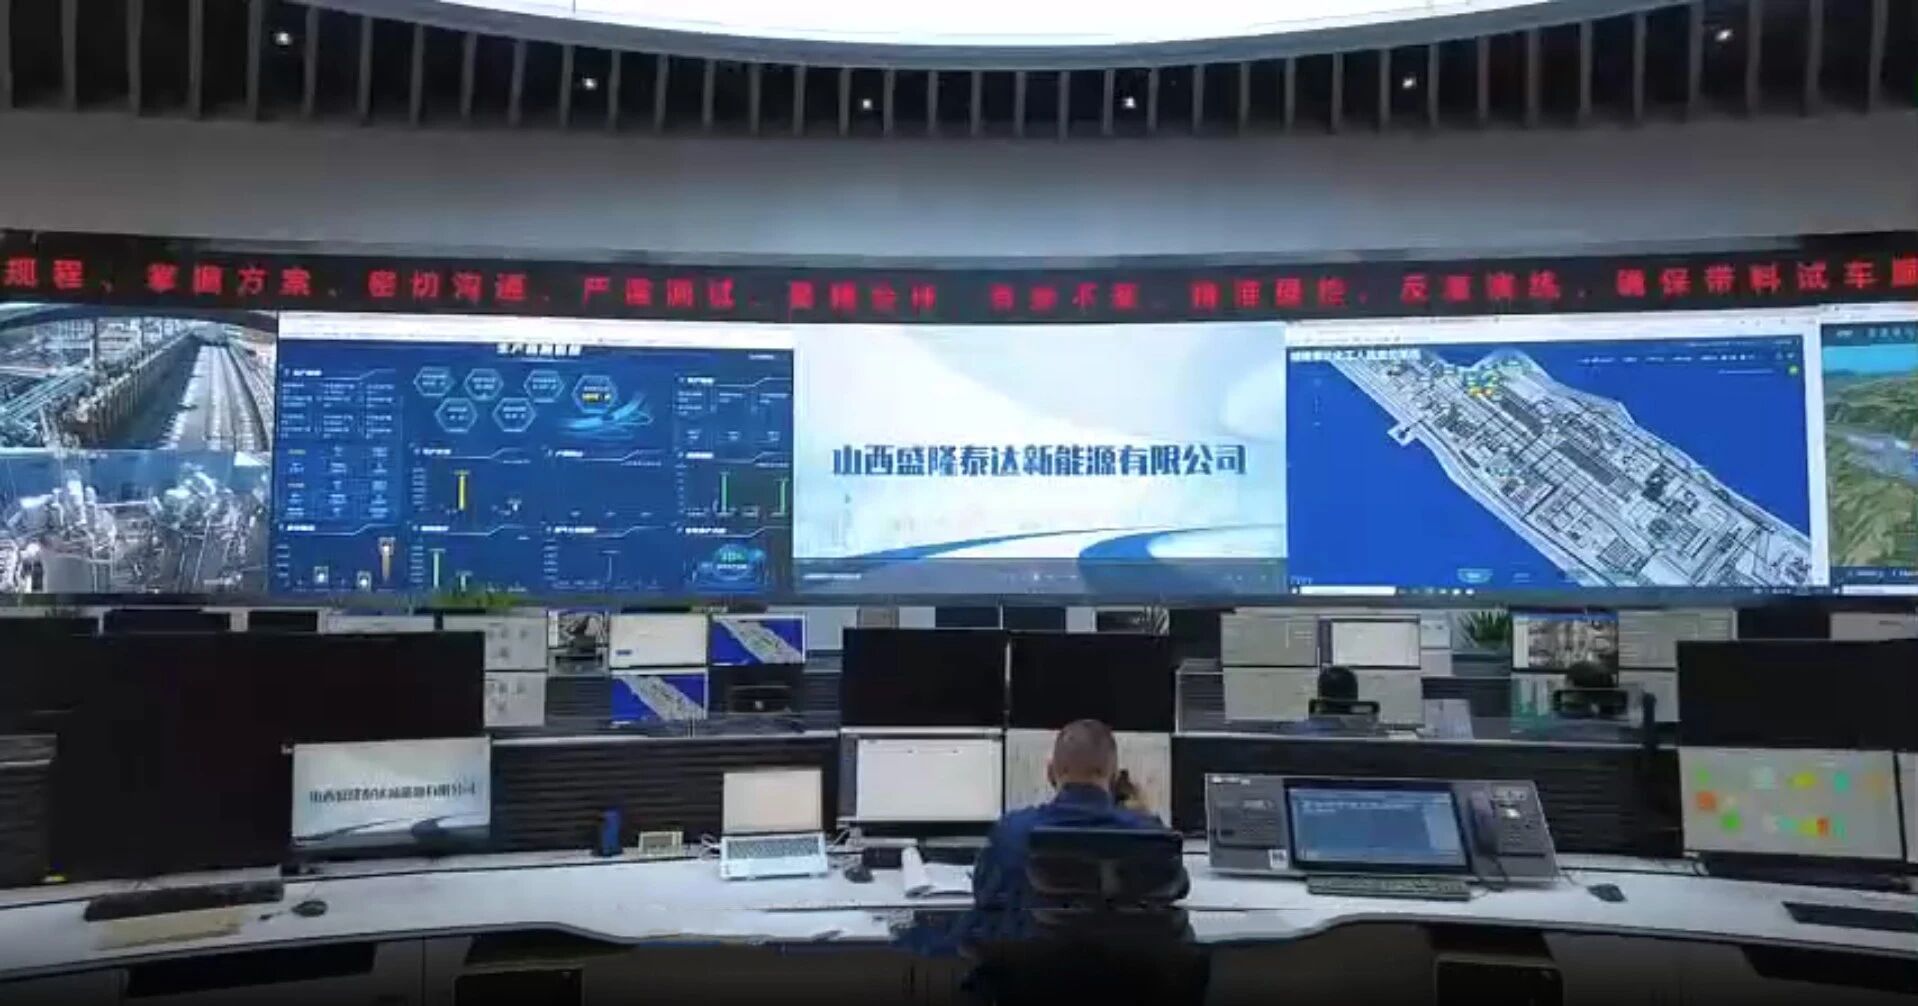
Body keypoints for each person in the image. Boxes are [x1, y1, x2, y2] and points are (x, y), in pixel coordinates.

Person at [965, 719, 1175, 943]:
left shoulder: (1010, 832)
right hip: (1123, 963)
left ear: (1050, 773)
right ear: (1115, 776)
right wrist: (1145, 817)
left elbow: (985, 899)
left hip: (1032, 963)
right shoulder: (1151, 836)